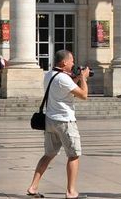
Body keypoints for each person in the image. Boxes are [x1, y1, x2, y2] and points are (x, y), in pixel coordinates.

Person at [26, 49, 90, 199]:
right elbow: (84, 95)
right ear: (64, 62)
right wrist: (83, 78)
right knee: (74, 155)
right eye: (72, 61)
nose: (73, 63)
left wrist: (76, 78)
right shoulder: (64, 78)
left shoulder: (49, 75)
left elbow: (65, 89)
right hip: (65, 121)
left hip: (50, 120)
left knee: (48, 154)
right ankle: (71, 191)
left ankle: (33, 187)